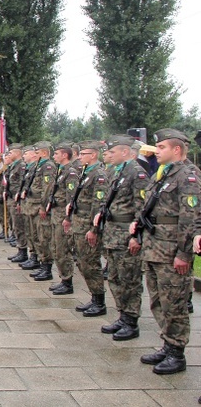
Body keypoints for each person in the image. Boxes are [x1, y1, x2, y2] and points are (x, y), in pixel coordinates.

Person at [132, 129, 200, 375]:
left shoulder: (188, 176)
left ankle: (177, 353)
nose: (156, 151)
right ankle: (167, 344)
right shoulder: (164, 174)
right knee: (159, 300)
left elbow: (191, 218)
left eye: (161, 147)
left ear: (177, 150)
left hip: (171, 251)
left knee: (175, 304)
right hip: (155, 247)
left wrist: (184, 254)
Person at [95, 135, 149, 340]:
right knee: (116, 277)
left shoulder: (137, 173)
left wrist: (136, 236)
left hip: (126, 234)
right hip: (113, 232)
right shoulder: (118, 172)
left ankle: (131, 320)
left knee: (130, 279)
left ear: (125, 152)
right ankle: (122, 314)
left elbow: (142, 207)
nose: (108, 155)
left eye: (113, 151)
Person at [64, 140, 109, 317]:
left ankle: (99, 301)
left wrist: (94, 229)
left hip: (88, 225)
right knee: (83, 262)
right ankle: (94, 297)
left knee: (91, 263)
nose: (80, 156)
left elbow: (99, 204)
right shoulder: (86, 172)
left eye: (84, 154)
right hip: (79, 222)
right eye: (80, 154)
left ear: (94, 155)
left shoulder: (98, 174)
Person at [46, 142, 79, 295]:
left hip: (62, 215)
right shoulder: (61, 170)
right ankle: (63, 279)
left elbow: (71, 197)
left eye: (56, 154)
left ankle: (68, 281)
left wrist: (68, 218)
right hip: (56, 213)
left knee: (63, 249)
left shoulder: (70, 172)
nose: (54, 156)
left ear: (65, 155)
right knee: (56, 247)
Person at [22, 141, 57, 281]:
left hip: (39, 206)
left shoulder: (48, 166)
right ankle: (37, 260)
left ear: (44, 153)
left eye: (37, 153)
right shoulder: (38, 166)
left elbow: (47, 189)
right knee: (34, 235)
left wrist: (44, 206)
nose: (34, 155)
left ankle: (46, 267)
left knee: (43, 237)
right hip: (33, 204)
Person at [5, 144, 28, 262]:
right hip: (12, 199)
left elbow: (21, 184)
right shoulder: (14, 166)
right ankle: (21, 250)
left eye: (11, 152)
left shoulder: (21, 166)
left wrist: (18, 199)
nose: (9, 155)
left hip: (17, 200)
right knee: (16, 226)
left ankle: (23, 251)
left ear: (17, 153)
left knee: (19, 226)